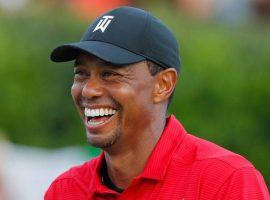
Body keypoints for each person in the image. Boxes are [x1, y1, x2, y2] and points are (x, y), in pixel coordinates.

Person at [45, 6, 269, 200]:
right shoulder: (65, 190)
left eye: (110, 74)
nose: (89, 89)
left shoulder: (226, 182)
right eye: (81, 74)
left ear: (163, 85)